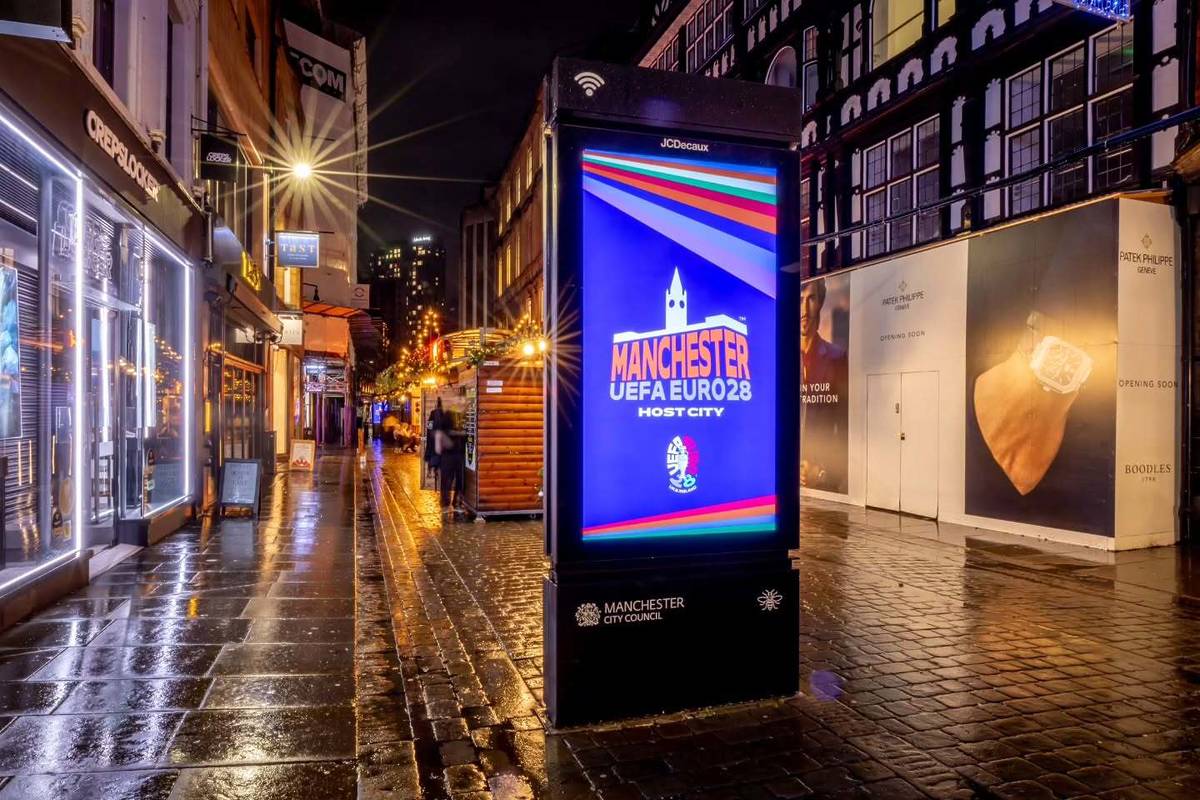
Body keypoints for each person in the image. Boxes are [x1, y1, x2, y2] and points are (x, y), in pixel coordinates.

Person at [800, 278, 848, 493]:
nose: (804, 310)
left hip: (824, 482)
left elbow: (845, 428)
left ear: (820, 303)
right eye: (799, 300)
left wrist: (822, 472)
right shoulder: (779, 361)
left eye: (810, 299)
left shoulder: (837, 358)